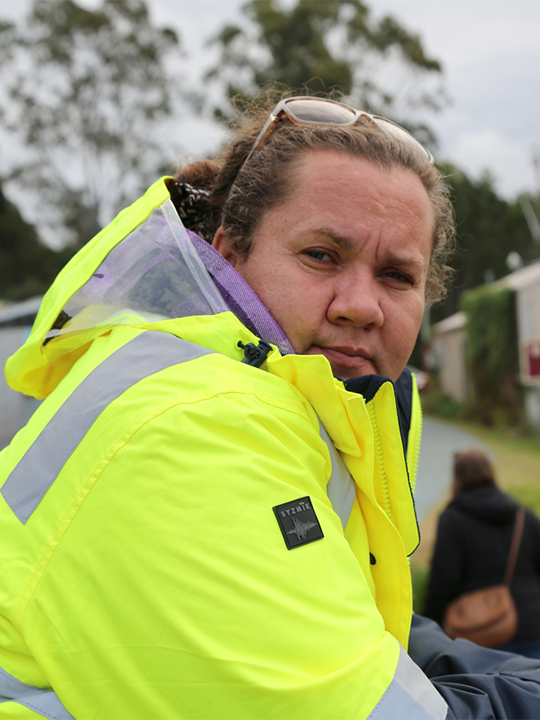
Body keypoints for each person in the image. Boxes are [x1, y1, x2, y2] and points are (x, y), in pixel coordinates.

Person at [1, 92, 540, 719]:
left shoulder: (301, 406)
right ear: (230, 253)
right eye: (322, 256)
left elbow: (353, 622)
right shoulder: (193, 424)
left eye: (397, 276)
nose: (361, 305)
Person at [424, 447, 540, 657]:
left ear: (457, 478)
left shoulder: (452, 520)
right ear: (490, 472)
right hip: (531, 627)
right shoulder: (524, 516)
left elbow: (443, 581)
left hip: (477, 634)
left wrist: (430, 627)